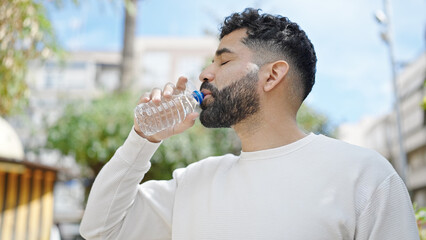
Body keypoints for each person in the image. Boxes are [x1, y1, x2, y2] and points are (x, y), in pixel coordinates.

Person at [80, 8, 419, 240]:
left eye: (224, 60)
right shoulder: (192, 183)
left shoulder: (364, 176)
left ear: (272, 75)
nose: (205, 74)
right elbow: (100, 229)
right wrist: (143, 138)